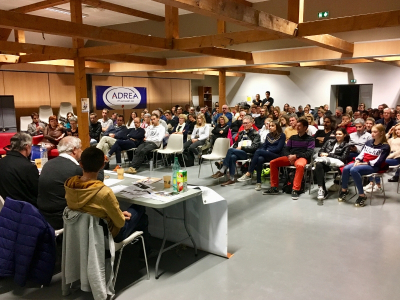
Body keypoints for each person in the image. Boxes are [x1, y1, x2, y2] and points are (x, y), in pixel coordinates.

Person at [64, 146, 150, 252]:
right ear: (102, 165)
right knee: (140, 209)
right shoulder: (103, 192)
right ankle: (146, 250)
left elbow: (91, 208)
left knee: (142, 219)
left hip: (82, 232)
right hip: (107, 234)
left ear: (80, 164)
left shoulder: (69, 184)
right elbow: (120, 223)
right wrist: (119, 215)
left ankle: (145, 248)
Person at [37, 137, 104, 229]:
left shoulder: (48, 164)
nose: (81, 151)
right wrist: (98, 162)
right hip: (62, 218)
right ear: (74, 150)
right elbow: (97, 180)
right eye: (80, 148)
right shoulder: (74, 169)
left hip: (43, 215)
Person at [338, 124, 390, 207]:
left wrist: (363, 163)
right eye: (372, 132)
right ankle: (344, 190)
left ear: (381, 133)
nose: (372, 134)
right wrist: (358, 160)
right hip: (364, 163)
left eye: (375, 132)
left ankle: (362, 195)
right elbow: (362, 153)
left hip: (374, 166)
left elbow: (378, 161)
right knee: (346, 168)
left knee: (354, 170)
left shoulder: (385, 146)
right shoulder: (369, 142)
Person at [263, 119, 315, 200]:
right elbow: (286, 149)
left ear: (305, 127)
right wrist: (289, 156)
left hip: (302, 158)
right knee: (273, 162)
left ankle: (295, 189)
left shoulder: (310, 139)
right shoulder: (293, 137)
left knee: (300, 165)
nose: (297, 127)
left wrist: (296, 156)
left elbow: (309, 153)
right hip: (290, 157)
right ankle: (274, 188)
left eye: (299, 126)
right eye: (297, 125)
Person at [213, 115, 261, 186]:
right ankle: (232, 179)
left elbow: (254, 147)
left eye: (247, 123)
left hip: (248, 154)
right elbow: (236, 144)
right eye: (244, 123)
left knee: (230, 150)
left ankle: (223, 169)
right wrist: (237, 148)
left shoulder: (256, 134)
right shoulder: (241, 133)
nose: (245, 125)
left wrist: (242, 147)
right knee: (232, 156)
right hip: (239, 153)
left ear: (251, 123)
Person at [238, 121, 285, 190]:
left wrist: (266, 151)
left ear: (277, 127)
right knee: (259, 159)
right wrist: (264, 151)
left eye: (272, 126)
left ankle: (249, 172)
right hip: (267, 154)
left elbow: (278, 148)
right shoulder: (268, 135)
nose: (270, 127)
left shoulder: (282, 135)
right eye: (270, 126)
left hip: (276, 155)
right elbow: (264, 146)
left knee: (258, 151)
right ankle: (258, 183)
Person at [0, 133, 38, 206]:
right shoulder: (28, 167)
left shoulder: (1, 161)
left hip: (5, 206)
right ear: (27, 147)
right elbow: (37, 192)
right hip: (25, 209)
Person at [314, 128, 350, 202]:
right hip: (325, 163)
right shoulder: (329, 141)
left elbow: (343, 158)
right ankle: (321, 188)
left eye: (340, 134)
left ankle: (322, 189)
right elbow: (320, 151)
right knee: (318, 165)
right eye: (336, 134)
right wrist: (321, 154)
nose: (337, 136)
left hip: (336, 165)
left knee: (319, 165)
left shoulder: (346, 145)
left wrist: (328, 154)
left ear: (344, 135)